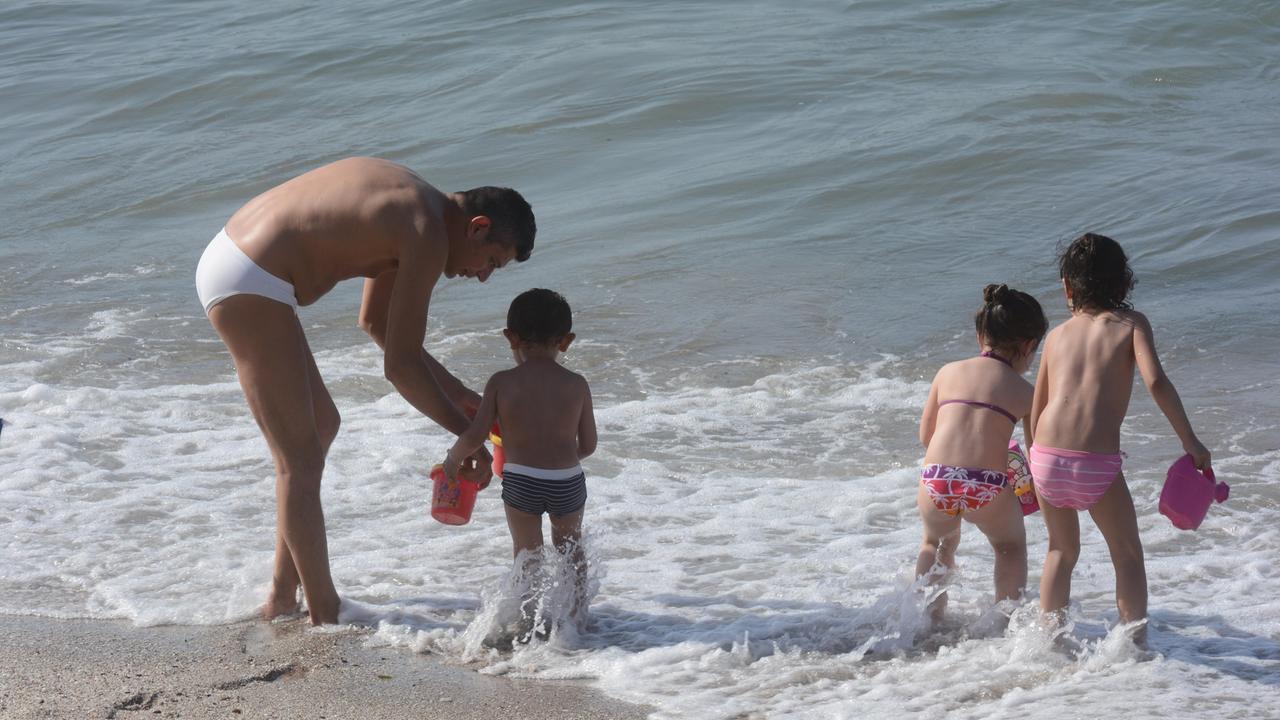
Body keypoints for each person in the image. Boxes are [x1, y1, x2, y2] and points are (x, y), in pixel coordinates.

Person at [195, 157, 535, 624]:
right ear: (477, 228)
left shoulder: (417, 209)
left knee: (322, 427)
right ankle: (325, 615)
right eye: (492, 262)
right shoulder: (428, 232)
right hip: (249, 280)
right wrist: (466, 437)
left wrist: (459, 397)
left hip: (241, 262)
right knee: (299, 460)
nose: (483, 276)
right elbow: (400, 366)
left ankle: (282, 595)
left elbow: (375, 322)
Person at [1030, 233, 1211, 645]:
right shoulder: (1132, 324)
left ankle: (1047, 644)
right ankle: (1133, 650)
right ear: (1124, 284)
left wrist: (1034, 462)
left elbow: (1036, 407)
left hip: (1045, 458)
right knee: (1126, 554)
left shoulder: (1056, 336)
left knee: (1060, 551)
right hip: (1094, 464)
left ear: (1067, 287)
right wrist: (1191, 442)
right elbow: (1156, 382)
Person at [443, 289, 597, 629]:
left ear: (511, 337)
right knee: (571, 549)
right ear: (566, 341)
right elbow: (588, 444)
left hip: (522, 481)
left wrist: (454, 459)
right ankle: (577, 619)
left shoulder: (501, 382)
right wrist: (562, 460)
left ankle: (524, 623)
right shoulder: (576, 384)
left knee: (527, 555)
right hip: (567, 481)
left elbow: (475, 434)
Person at [915, 284, 1048, 618]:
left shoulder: (947, 372)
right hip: (986, 485)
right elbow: (1037, 452)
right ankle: (1004, 623)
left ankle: (923, 620)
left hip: (937, 480)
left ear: (980, 336)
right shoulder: (1025, 391)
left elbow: (925, 436)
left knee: (936, 542)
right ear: (1029, 346)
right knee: (1009, 547)